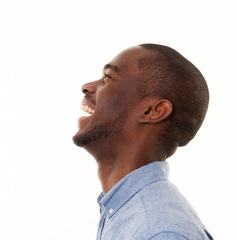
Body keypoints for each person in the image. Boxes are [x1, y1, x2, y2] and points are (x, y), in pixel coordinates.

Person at [73, 44, 213, 240]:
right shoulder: (120, 209)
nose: (87, 86)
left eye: (108, 78)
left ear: (153, 111)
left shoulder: (159, 232)